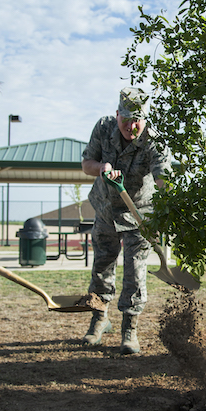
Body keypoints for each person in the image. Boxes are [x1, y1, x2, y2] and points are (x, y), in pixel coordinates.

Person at [81, 87, 171, 354]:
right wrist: (101, 169)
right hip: (106, 209)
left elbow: (163, 176)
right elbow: (87, 163)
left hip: (139, 215)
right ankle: (99, 319)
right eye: (126, 119)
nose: (132, 126)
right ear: (117, 114)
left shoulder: (154, 140)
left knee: (134, 270)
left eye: (138, 120)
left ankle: (129, 329)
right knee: (102, 267)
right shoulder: (103, 127)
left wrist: (168, 207)